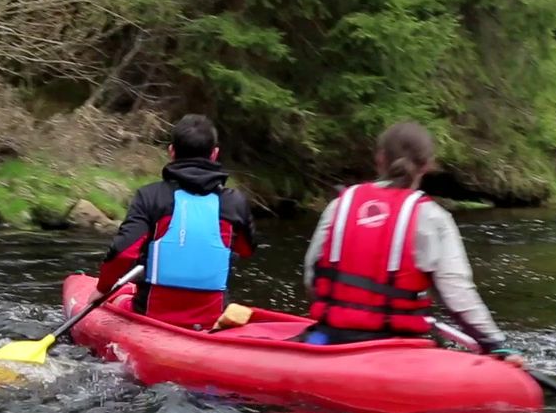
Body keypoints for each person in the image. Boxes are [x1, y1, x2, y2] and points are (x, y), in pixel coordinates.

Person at [302, 121, 524, 366]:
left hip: (331, 339)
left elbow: (312, 278)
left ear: (380, 158)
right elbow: (458, 295)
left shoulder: (339, 206)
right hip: (395, 348)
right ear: (427, 165)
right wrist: (496, 344)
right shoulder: (432, 217)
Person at [94, 114, 254, 330]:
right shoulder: (235, 202)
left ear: (171, 152)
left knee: (119, 299)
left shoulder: (150, 196)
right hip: (210, 319)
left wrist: (103, 289)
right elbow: (245, 249)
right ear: (214, 154)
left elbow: (123, 254)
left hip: (152, 314)